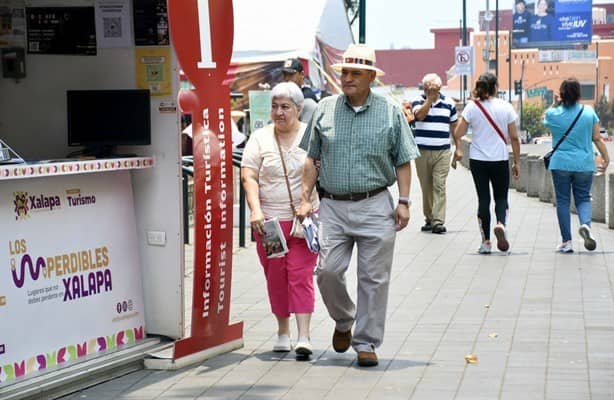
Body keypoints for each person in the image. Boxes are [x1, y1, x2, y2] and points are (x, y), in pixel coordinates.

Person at [296, 43, 420, 367]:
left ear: (370, 77)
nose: (347, 78)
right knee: (327, 271)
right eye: (344, 72)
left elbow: (404, 161)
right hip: (333, 207)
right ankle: (344, 319)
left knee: (374, 278)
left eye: (354, 73)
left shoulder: (390, 111)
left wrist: (404, 202)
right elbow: (311, 158)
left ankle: (366, 342)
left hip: (376, 204)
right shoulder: (324, 109)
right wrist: (304, 197)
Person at [240, 82, 320, 357]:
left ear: (298, 109)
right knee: (275, 276)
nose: (279, 112)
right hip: (270, 223)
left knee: (300, 275)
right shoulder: (259, 138)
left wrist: (308, 201)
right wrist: (255, 209)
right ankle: (283, 331)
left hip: (304, 220)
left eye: (285, 106)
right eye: (274, 106)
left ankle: (304, 336)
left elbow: (320, 169)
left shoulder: (311, 136)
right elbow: (248, 175)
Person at [452, 72, 521, 254]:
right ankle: (500, 223)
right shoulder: (505, 107)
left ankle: (486, 242)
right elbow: (514, 137)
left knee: (483, 199)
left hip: (478, 160)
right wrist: (517, 162)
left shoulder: (472, 107)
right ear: (495, 87)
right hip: (500, 159)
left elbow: (458, 133)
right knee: (501, 197)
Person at [543, 77, 610, 253]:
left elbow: (546, 118)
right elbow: (596, 138)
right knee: (583, 197)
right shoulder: (588, 112)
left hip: (560, 163)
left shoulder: (554, 114)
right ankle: (586, 226)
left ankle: (567, 242)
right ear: (579, 93)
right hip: (584, 163)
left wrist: (554, 103)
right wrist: (606, 157)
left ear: (562, 94)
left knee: (563, 201)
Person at [411, 73, 458, 234]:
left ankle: (438, 221)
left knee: (439, 185)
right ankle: (429, 218)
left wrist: (459, 149)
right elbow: (419, 116)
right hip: (422, 151)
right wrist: (429, 100)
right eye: (426, 87)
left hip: (442, 151)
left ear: (439, 88)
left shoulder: (449, 103)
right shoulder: (417, 101)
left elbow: (455, 128)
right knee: (426, 186)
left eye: (431, 88)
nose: (428, 90)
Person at [281, 58, 319, 123]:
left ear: (302, 74)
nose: (287, 78)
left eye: (291, 74)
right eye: (285, 74)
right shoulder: (284, 95)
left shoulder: (307, 96)